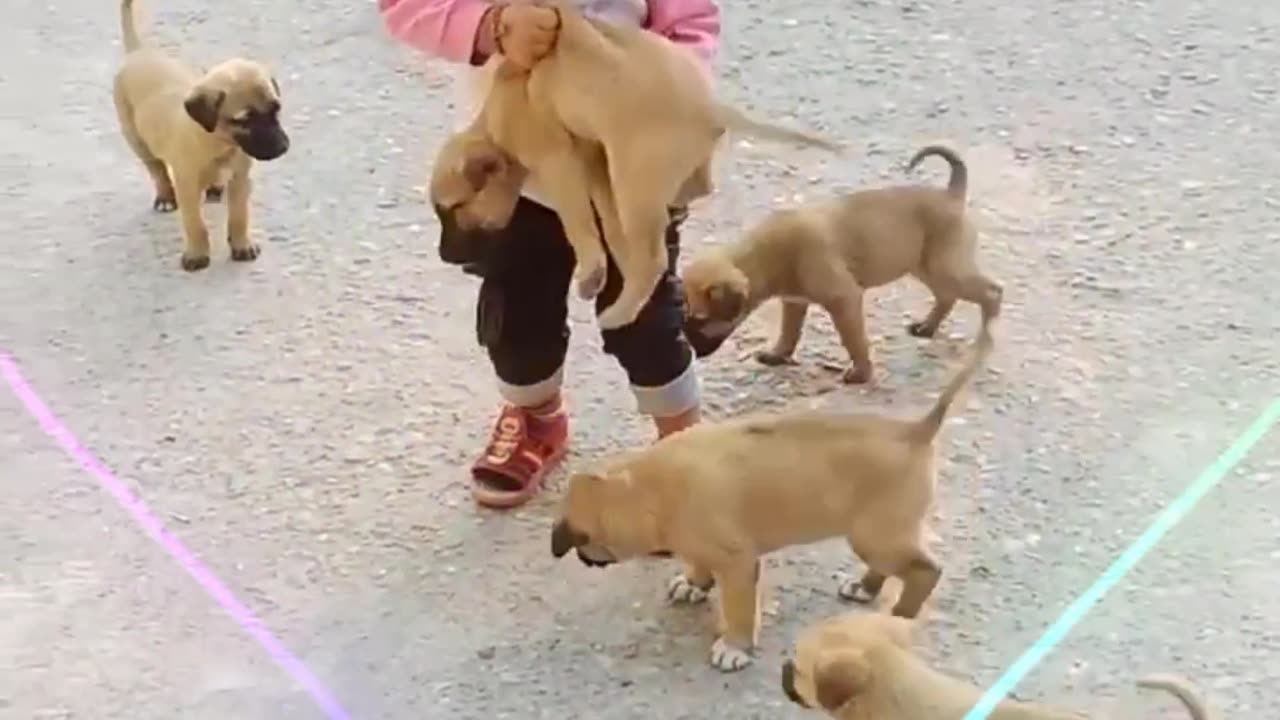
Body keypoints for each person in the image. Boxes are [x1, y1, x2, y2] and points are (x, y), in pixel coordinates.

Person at [378, 0, 722, 508]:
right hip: (515, 172)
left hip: (627, 169)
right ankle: (536, 416)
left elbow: (693, 22)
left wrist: (666, 94)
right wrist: (492, 25)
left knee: (644, 314)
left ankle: (681, 441)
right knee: (517, 312)